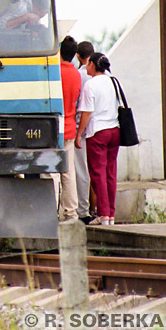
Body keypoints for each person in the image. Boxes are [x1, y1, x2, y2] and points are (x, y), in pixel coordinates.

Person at [76, 52, 120, 226]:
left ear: (93, 65)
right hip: (115, 130)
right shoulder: (113, 82)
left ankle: (102, 214)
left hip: (98, 132)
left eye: (88, 65)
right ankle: (111, 214)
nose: (86, 67)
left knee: (97, 173)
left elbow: (86, 113)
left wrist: (79, 134)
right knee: (111, 173)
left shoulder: (90, 85)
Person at [56, 35, 82, 220]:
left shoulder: (54, 72)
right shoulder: (76, 75)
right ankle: (71, 212)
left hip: (53, 128)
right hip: (70, 128)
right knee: (68, 171)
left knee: (50, 172)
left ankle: (52, 210)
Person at [75, 40, 95, 222]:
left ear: (78, 56)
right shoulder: (106, 76)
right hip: (99, 129)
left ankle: (83, 210)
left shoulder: (79, 75)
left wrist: (78, 131)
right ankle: (102, 210)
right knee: (97, 170)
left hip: (82, 129)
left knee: (81, 171)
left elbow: (80, 108)